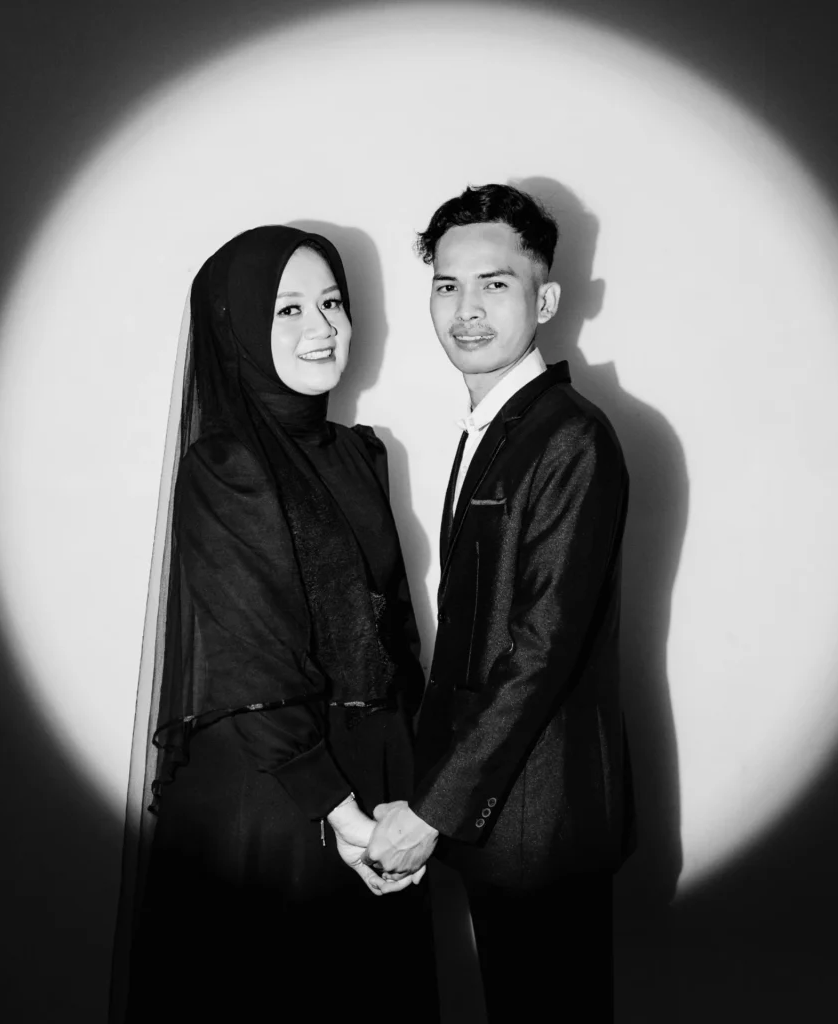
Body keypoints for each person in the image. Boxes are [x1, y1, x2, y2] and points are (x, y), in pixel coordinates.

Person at [123, 226, 435, 1021]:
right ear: (237, 330)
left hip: (375, 786)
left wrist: (417, 794)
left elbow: (393, 635)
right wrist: (344, 817)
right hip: (277, 801)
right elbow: (251, 658)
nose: (321, 327)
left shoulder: (362, 453)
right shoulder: (225, 466)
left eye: (332, 302)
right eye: (287, 309)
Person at [366, 184, 634, 1021]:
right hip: (499, 815)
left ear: (545, 301)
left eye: (495, 283)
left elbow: (540, 648)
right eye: (447, 286)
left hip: (542, 823)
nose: (467, 310)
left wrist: (433, 811)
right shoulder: (495, 428)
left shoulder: (571, 438)